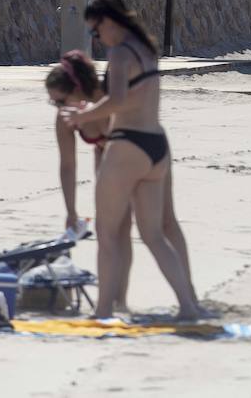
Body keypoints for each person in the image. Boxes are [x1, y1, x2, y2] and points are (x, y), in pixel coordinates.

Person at [61, 0, 201, 320]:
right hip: (157, 147)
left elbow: (119, 101)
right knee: (154, 235)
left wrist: (82, 116)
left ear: (109, 21)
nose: (98, 38)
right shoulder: (146, 48)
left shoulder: (121, 53)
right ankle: (189, 306)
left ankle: (104, 309)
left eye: (96, 31)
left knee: (108, 235)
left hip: (128, 145)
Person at [45, 50, 193, 316]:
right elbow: (67, 165)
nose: (56, 107)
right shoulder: (65, 119)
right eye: (53, 103)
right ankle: (118, 301)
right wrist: (70, 210)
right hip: (106, 155)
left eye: (59, 100)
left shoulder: (107, 98)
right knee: (117, 229)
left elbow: (130, 129)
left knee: (165, 223)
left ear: (76, 88)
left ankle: (189, 295)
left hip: (143, 148)